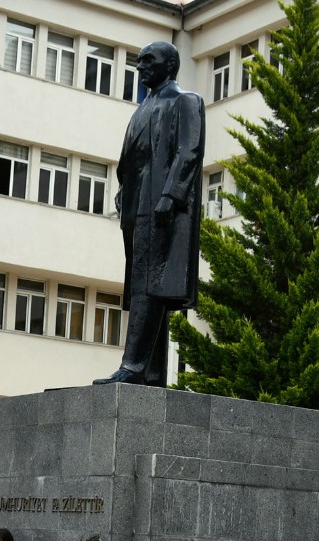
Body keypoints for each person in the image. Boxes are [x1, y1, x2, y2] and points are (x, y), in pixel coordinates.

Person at [95, 41, 204, 388]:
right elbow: (133, 159)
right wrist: (123, 193)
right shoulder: (141, 109)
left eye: (148, 61)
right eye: (138, 61)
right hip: (135, 208)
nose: (140, 67)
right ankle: (152, 373)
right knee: (144, 286)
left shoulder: (185, 101)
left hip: (161, 209)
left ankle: (133, 365)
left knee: (149, 285)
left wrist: (171, 196)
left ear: (170, 65)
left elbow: (189, 151)